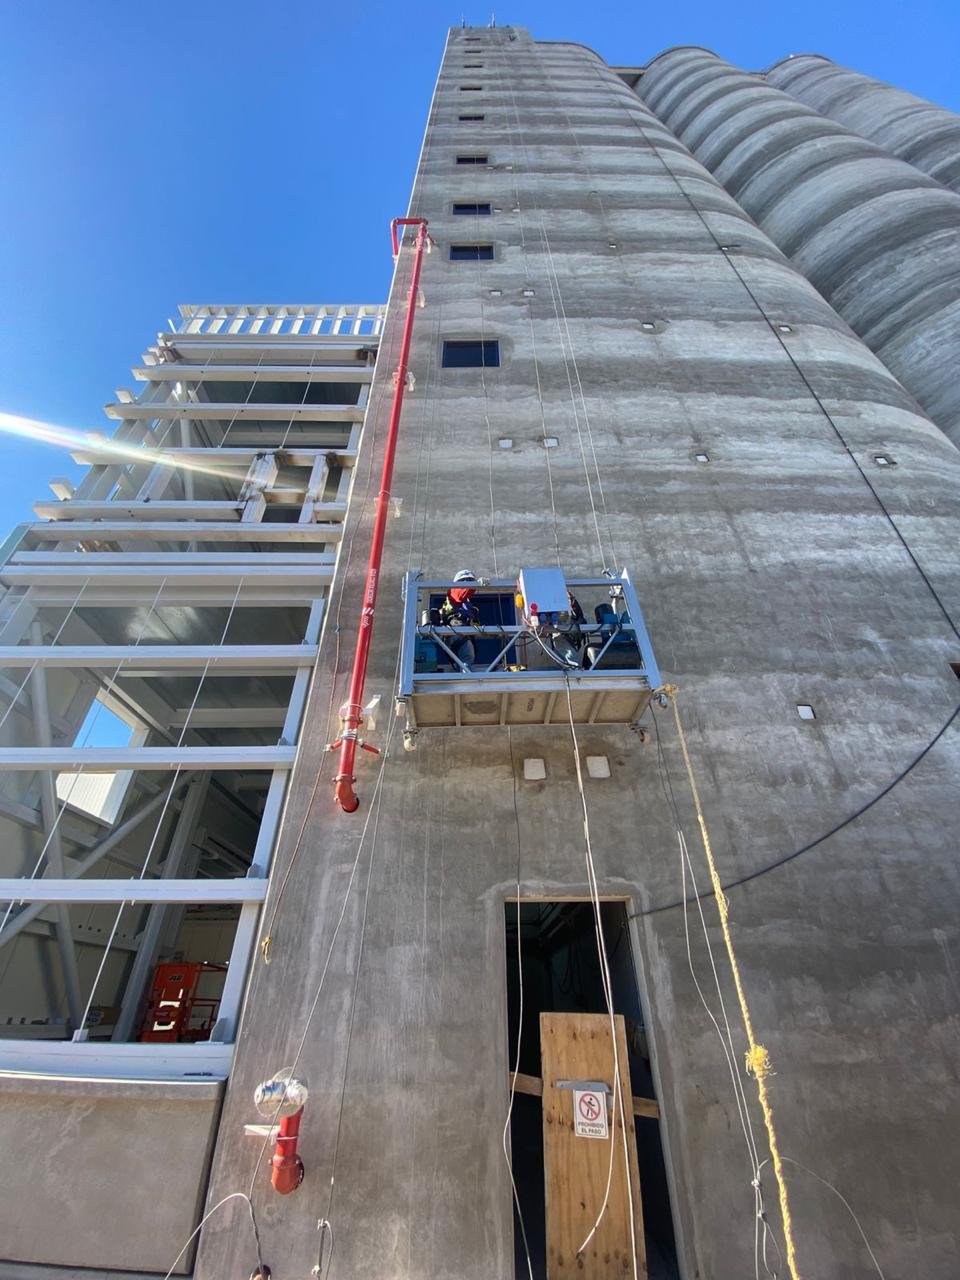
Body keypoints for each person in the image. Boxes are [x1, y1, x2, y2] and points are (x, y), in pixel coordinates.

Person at [439, 570, 482, 669]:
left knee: (467, 658)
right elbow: (462, 594)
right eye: (467, 580)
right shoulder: (453, 592)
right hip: (456, 634)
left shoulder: (467, 604)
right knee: (466, 658)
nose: (468, 583)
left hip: (462, 635)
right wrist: (477, 584)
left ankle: (465, 675)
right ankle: (466, 677)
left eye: (471, 581)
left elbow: (473, 620)